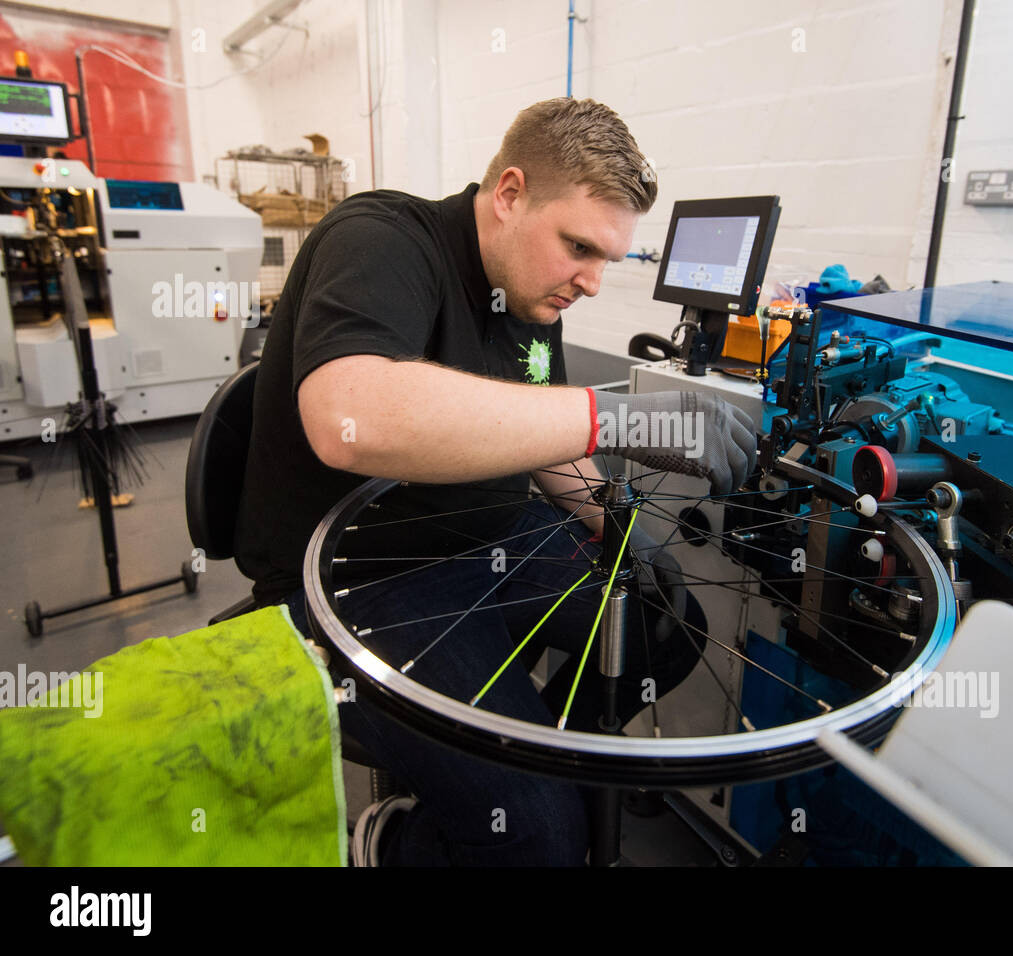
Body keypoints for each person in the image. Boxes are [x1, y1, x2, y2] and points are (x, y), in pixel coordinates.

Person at [233, 97, 757, 865]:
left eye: (608, 259)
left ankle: (531, 769)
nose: (592, 282)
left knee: (665, 625)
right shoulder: (379, 238)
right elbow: (348, 416)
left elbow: (542, 432)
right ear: (510, 194)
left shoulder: (535, 293)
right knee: (539, 836)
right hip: (361, 574)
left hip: (491, 539)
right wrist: (615, 419)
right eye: (579, 246)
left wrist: (618, 526)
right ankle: (403, 839)